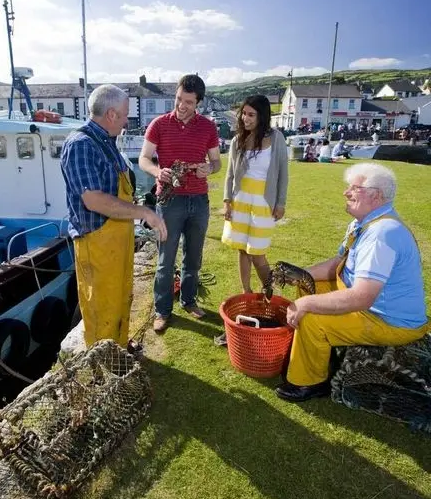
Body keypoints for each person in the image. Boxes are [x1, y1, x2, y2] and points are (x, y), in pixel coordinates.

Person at [276, 163, 429, 402]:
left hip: (388, 320)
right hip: (371, 306)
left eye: (354, 188)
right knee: (307, 286)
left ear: (375, 195)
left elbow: (361, 297)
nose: (346, 192)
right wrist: (302, 273)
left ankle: (310, 383)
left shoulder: (381, 234)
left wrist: (306, 304)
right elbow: (339, 263)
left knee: (312, 318)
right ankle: (319, 354)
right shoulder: (366, 223)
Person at [61, 85, 167, 347]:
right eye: (124, 115)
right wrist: (144, 212)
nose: (127, 120)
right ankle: (104, 362)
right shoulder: (81, 145)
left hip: (117, 240)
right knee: (101, 305)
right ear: (110, 114)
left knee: (121, 297)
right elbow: (94, 199)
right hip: (96, 243)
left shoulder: (106, 142)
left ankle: (119, 346)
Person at [139, 74, 221, 332]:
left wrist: (209, 168)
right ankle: (162, 310)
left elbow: (217, 162)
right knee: (165, 259)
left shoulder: (208, 127)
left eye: (188, 101)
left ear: (199, 102)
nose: (181, 105)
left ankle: (188, 300)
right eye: (178, 99)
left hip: (199, 200)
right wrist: (157, 172)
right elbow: (144, 158)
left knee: (193, 257)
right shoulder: (159, 124)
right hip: (169, 201)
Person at [222, 94, 288, 292]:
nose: (245, 118)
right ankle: (246, 291)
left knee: (258, 253)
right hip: (240, 200)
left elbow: (283, 173)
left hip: (264, 201)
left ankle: (268, 291)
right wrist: (227, 201)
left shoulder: (276, 138)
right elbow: (230, 174)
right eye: (244, 113)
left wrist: (281, 203)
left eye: (251, 114)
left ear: (262, 116)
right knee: (242, 249)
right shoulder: (237, 140)